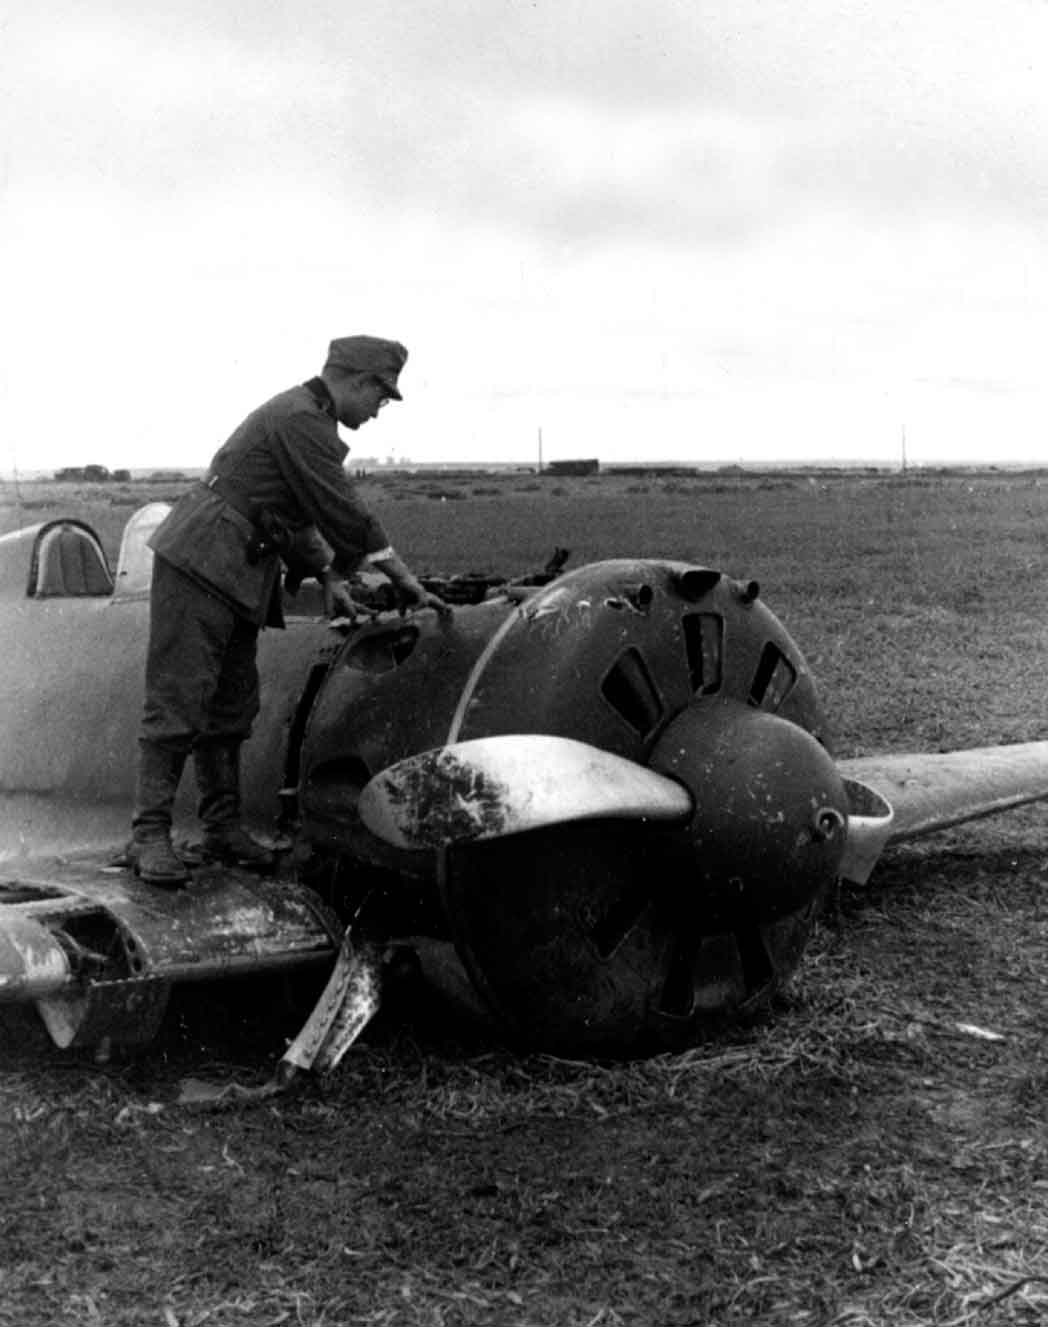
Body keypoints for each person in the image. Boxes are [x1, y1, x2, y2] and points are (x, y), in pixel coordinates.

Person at [129, 335, 450, 887]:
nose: (379, 410)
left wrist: (329, 576)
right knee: (180, 700)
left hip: (238, 568)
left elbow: (293, 514)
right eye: (380, 396)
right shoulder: (302, 421)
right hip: (204, 559)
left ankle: (222, 829)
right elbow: (342, 508)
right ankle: (149, 836)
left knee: (230, 704)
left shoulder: (306, 421)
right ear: (354, 381)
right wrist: (406, 582)